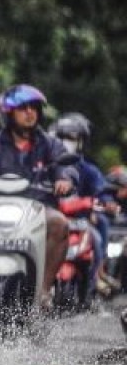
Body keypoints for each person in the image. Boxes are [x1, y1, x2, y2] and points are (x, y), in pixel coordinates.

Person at [0, 83, 78, 305]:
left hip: (37, 209)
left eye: (34, 108)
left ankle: (43, 290)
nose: (30, 113)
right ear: (7, 114)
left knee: (59, 223)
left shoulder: (49, 144)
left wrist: (64, 179)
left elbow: (65, 166)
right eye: (23, 108)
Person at [51, 111, 120, 292]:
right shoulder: (46, 163)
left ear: (81, 141)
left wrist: (103, 205)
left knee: (98, 234)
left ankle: (97, 273)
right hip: (48, 217)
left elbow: (102, 192)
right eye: (63, 137)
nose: (67, 141)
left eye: (72, 137)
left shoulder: (88, 170)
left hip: (80, 220)